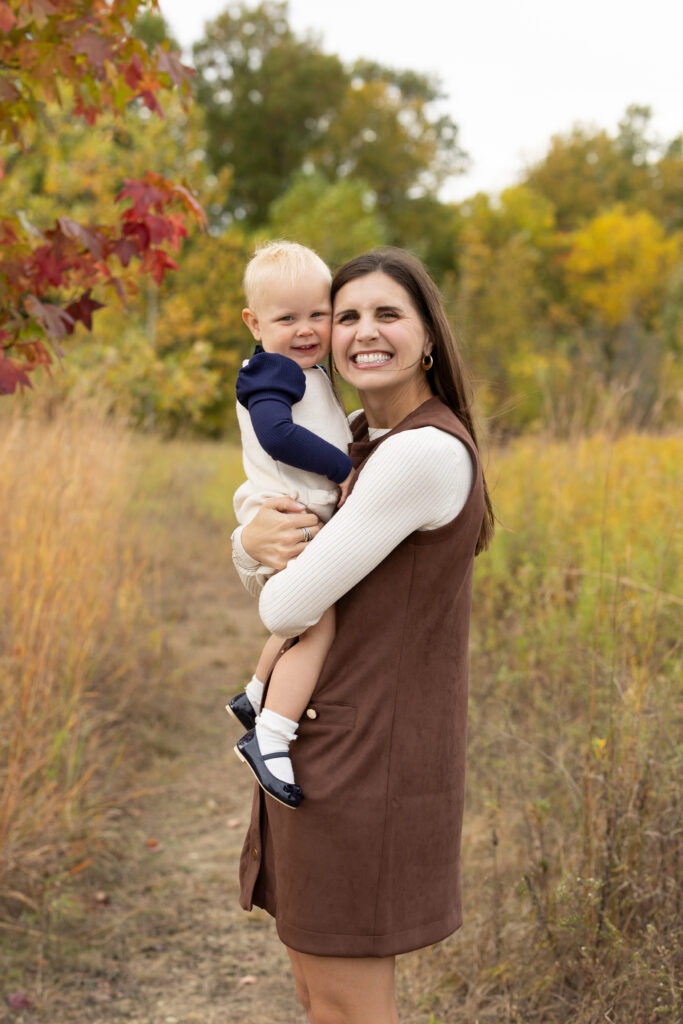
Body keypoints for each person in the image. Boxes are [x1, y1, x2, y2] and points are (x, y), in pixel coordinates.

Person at [231, 247, 495, 1024]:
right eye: (344, 315)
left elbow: (285, 607)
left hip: (364, 762)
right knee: (320, 998)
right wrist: (250, 539)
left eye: (387, 314)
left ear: (429, 337)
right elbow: (265, 565)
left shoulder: (418, 452)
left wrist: (255, 551)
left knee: (348, 1007)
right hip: (322, 744)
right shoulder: (354, 437)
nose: (356, 331)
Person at [227, 241, 354, 809]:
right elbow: (278, 435)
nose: (305, 330)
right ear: (255, 323)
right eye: (286, 318)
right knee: (317, 624)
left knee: (303, 616)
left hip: (302, 513)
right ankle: (270, 737)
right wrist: (343, 467)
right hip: (291, 514)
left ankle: (255, 695)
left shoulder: (311, 370)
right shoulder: (271, 370)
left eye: (317, 315)